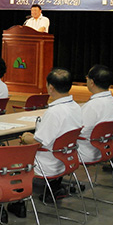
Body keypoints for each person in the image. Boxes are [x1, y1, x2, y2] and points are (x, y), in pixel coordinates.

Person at [20, 68, 83, 202]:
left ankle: (17, 199)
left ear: (51, 87)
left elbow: (38, 142)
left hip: (48, 163)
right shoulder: (76, 107)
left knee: (6, 156)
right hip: (66, 159)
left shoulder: (54, 112)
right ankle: (54, 188)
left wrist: (25, 137)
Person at [78, 64, 113, 164]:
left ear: (91, 82)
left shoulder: (93, 105)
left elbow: (79, 130)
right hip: (103, 148)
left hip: (85, 150)